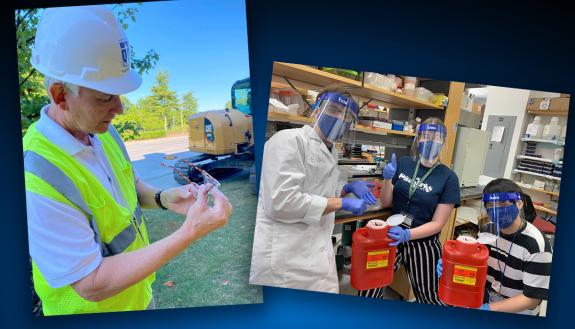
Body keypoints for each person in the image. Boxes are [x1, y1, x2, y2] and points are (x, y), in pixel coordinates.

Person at [23, 6, 232, 315]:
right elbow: (91, 283)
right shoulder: (36, 175)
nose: (119, 109)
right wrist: (190, 232)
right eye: (105, 97)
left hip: (137, 297)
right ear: (60, 95)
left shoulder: (101, 129)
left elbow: (128, 183)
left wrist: (163, 198)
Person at [249, 87, 376, 293]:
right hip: (285, 259)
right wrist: (343, 203)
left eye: (347, 116)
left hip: (317, 250)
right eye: (334, 109)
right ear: (316, 110)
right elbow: (282, 202)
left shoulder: (331, 149)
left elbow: (319, 190)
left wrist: (346, 188)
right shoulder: (289, 140)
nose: (340, 118)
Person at [359, 118, 460, 304]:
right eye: (424, 136)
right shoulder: (405, 163)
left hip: (423, 243)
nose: (429, 140)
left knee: (431, 297)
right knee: (369, 285)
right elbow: (386, 201)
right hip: (390, 236)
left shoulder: (449, 178)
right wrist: (387, 179)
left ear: (443, 141)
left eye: (435, 136)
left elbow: (438, 223)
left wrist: (407, 234)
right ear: (418, 139)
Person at [438, 178, 552, 315]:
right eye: (491, 206)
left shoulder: (536, 245)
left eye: (503, 204)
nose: (497, 211)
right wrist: (453, 267)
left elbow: (532, 298)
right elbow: (476, 267)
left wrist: (489, 309)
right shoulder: (488, 232)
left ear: (520, 203)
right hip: (486, 300)